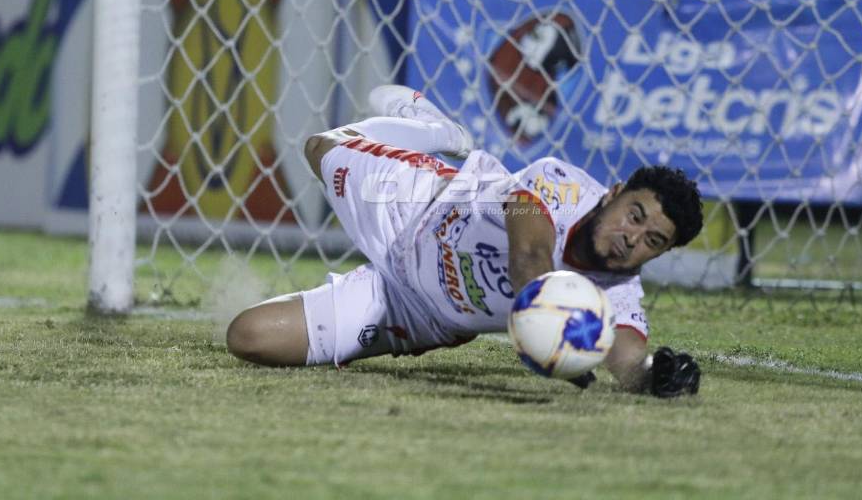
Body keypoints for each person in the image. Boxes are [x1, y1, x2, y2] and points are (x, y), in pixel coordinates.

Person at [226, 85, 704, 397]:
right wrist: (553, 331)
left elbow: (625, 354)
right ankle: (437, 130)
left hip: (415, 313)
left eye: (652, 241)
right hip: (415, 203)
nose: (631, 238)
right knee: (320, 145)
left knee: (249, 337)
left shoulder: (619, 294)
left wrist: (652, 377)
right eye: (634, 215)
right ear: (614, 193)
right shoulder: (559, 185)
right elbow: (529, 256)